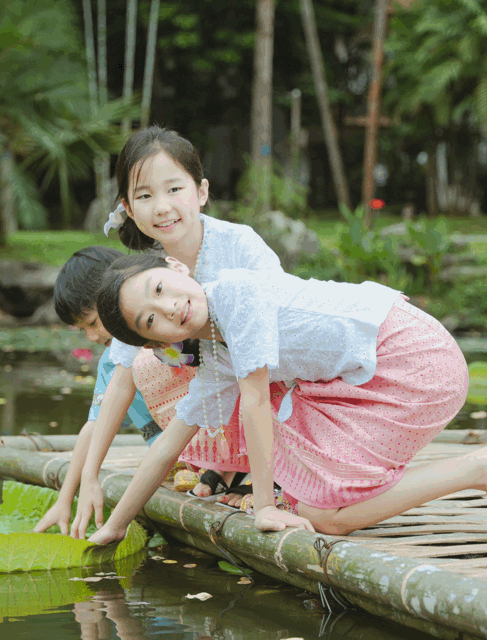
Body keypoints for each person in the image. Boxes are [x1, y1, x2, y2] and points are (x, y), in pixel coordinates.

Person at [87, 253, 487, 545]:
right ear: (155, 343)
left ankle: (484, 467)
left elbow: (255, 401)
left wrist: (264, 507)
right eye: (151, 320)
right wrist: (115, 525)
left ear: (175, 267)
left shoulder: (235, 294)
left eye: (159, 288)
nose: (168, 307)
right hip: (365, 378)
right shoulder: (216, 351)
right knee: (322, 511)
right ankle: (482, 468)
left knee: (327, 514)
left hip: (415, 361)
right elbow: (169, 443)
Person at [72, 125, 284, 538]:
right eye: (145, 196)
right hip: (222, 385)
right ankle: (222, 462)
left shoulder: (240, 245)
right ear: (128, 208)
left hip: (277, 378)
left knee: (225, 363)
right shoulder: (150, 273)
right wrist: (90, 476)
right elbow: (120, 382)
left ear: (200, 191)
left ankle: (273, 475)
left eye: (173, 189)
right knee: (148, 363)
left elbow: (278, 338)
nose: (162, 207)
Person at [31, 246, 164, 535]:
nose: (91, 337)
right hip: (171, 464)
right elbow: (94, 426)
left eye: (92, 323)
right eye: (83, 330)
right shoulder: (111, 361)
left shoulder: (165, 338)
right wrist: (65, 499)